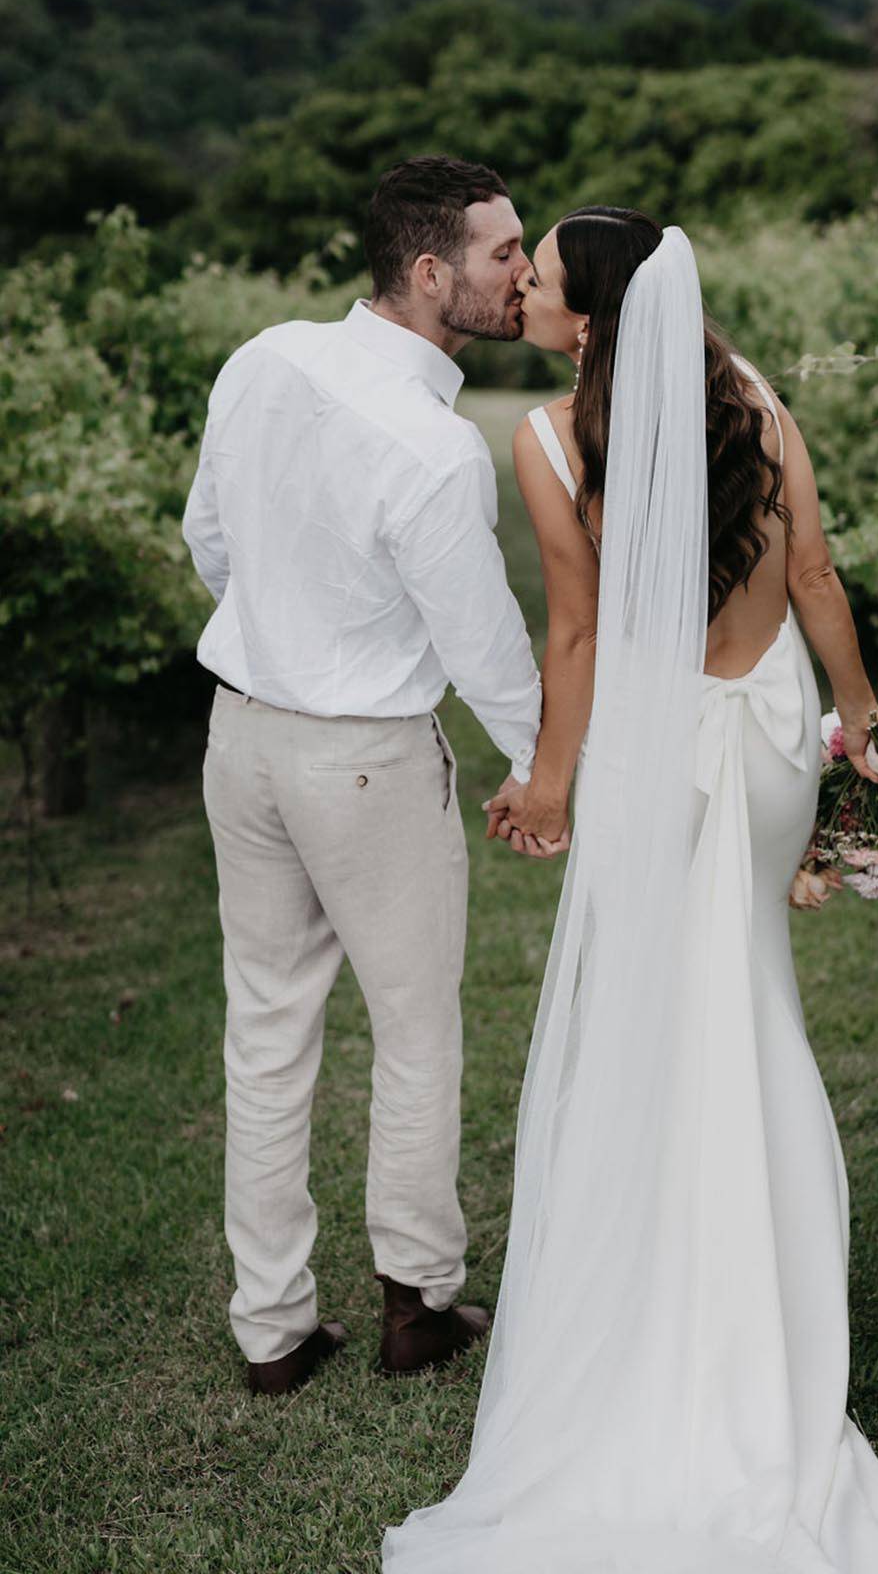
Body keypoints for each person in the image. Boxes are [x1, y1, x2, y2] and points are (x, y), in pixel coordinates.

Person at [383, 212, 878, 1571]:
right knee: (744, 1004)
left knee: (644, 1022)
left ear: (591, 315)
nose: (523, 290)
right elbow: (809, 572)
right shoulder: (747, 397)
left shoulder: (550, 438)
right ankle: (760, 1310)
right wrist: (861, 726)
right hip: (759, 740)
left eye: (546, 279)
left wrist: (552, 778)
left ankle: (650, 1308)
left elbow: (573, 630)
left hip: (647, 748)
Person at [182, 156, 546, 1395]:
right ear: (430, 269)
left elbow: (207, 540)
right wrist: (546, 774)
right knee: (413, 1033)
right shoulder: (434, 450)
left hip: (242, 738)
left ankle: (271, 1330)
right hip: (364, 767)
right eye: (505, 253)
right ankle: (415, 1306)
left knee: (266, 1034)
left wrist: (284, 637)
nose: (526, 272)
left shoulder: (262, 358)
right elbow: (486, 650)